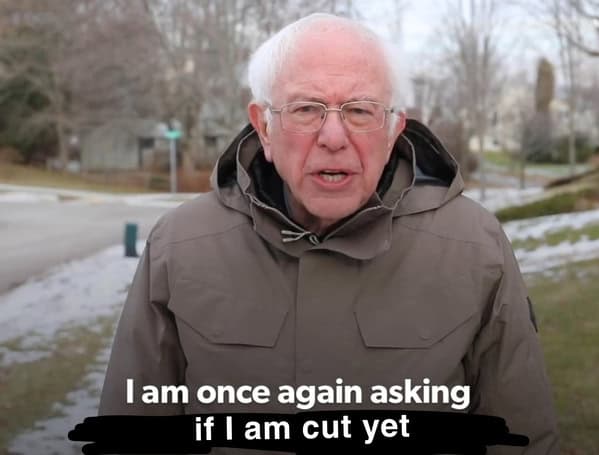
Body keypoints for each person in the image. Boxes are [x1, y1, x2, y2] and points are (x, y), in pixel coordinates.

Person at [99, 13, 559, 454]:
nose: (334, 137)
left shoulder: (474, 247)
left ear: (393, 131)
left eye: (359, 110)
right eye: (306, 109)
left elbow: (522, 438)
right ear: (264, 127)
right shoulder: (179, 247)